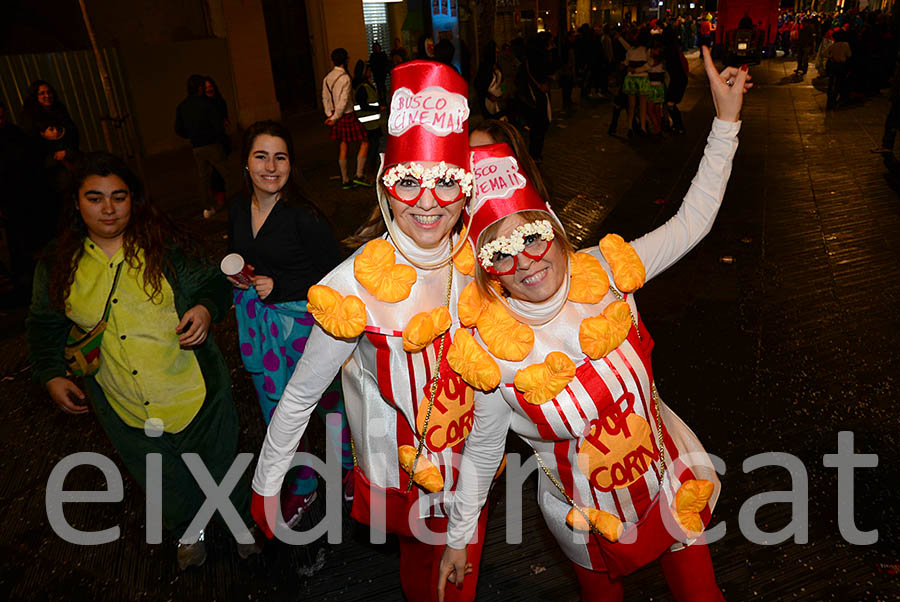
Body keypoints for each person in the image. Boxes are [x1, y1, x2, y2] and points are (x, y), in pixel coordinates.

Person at [437, 46, 750, 601]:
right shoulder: (490, 347)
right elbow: (484, 451)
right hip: (583, 517)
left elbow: (693, 221)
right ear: (485, 268)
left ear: (554, 228)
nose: (525, 261)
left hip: (666, 480)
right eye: (501, 253)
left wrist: (725, 121)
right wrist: (460, 538)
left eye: (532, 238)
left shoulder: (606, 271)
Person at [252, 60, 490, 602]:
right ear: (385, 178)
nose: (428, 203)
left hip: (473, 458)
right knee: (422, 573)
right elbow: (302, 393)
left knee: (462, 569)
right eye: (409, 182)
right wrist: (268, 481)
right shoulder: (354, 285)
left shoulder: (483, 259)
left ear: (466, 186)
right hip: (400, 471)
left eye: (445, 182)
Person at [27, 152, 260, 570]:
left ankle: (243, 523)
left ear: (133, 199)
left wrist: (206, 309)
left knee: (222, 465)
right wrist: (49, 374)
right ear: (77, 204)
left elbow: (212, 284)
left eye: (118, 196)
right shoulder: (58, 265)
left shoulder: (164, 248)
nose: (109, 208)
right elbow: (44, 325)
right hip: (123, 404)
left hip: (194, 391)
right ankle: (188, 530)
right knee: (162, 477)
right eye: (95, 198)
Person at [227, 120, 354, 526]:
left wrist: (280, 284)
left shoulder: (304, 216)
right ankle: (301, 484)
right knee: (279, 412)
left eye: (279, 157)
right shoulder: (236, 207)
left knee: (331, 406)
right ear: (246, 163)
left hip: (306, 327)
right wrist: (237, 274)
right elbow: (238, 251)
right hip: (261, 329)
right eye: (260, 156)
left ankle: (354, 467)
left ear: (290, 164)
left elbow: (336, 275)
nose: (270, 166)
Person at [175, 74, 232, 219]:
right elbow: (217, 125)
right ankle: (239, 201)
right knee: (227, 173)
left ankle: (207, 208)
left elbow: (178, 129)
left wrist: (191, 135)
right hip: (212, 144)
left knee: (203, 178)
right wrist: (221, 139)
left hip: (196, 146)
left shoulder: (182, 106)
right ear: (200, 88)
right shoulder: (206, 104)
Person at [323, 48, 372, 190]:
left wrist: (330, 116)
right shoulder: (345, 78)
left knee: (343, 146)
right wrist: (336, 117)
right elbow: (344, 101)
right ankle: (359, 174)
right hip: (347, 115)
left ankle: (345, 180)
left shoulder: (327, 77)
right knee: (364, 141)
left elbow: (325, 97)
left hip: (335, 115)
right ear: (346, 60)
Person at [18, 80, 80, 151]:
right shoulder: (28, 114)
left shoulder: (59, 108)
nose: (47, 96)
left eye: (49, 92)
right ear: (35, 96)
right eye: (42, 93)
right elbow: (29, 139)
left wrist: (67, 150)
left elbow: (72, 130)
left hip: (65, 150)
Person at [351, 60, 384, 178]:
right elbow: (363, 105)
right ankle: (369, 172)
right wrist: (378, 107)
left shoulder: (363, 85)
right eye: (368, 70)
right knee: (372, 148)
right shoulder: (363, 87)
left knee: (373, 147)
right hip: (368, 123)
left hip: (371, 122)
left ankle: (370, 171)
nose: (370, 72)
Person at [203, 76, 231, 213]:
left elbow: (224, 117)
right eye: (207, 87)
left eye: (211, 86)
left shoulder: (219, 102)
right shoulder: (203, 104)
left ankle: (220, 195)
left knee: (219, 170)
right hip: (210, 141)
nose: (210, 89)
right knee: (213, 171)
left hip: (221, 140)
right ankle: (218, 195)